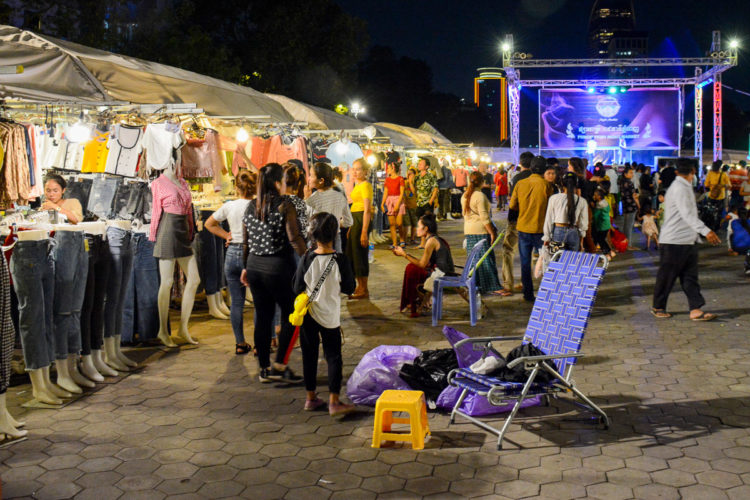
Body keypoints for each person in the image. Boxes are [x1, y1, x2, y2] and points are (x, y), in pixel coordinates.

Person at [240, 163, 306, 383]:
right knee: (292, 314)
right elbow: (294, 238)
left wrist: (244, 267)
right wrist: (310, 259)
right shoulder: (284, 205)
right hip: (278, 268)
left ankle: (264, 370)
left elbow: (246, 242)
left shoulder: (251, 206)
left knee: (263, 316)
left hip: (254, 267)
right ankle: (279, 364)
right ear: (279, 182)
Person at [292, 213, 356, 416]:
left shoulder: (307, 257)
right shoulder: (341, 259)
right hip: (330, 315)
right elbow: (349, 288)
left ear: (312, 234)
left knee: (309, 356)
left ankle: (310, 398)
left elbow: (296, 286)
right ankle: (334, 401)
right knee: (333, 356)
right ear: (335, 233)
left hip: (309, 313)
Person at [651, 158, 721, 321]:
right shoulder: (680, 189)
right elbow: (687, 215)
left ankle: (695, 309)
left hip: (686, 240)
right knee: (667, 276)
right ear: (693, 172)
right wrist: (706, 231)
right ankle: (658, 306)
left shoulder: (683, 187)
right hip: (674, 240)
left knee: (690, 276)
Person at [205, 171, 256, 355]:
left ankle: (240, 343)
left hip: (232, 252)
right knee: (258, 301)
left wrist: (226, 235)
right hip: (251, 253)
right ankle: (260, 344)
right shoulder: (258, 205)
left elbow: (209, 224)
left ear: (237, 187)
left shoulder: (229, 206)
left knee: (237, 302)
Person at [393, 214, 455, 317]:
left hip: (442, 274)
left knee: (411, 269)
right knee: (412, 267)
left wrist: (404, 254)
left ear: (425, 228)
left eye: (418, 226)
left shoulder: (431, 241)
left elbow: (422, 264)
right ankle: (416, 301)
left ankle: (414, 301)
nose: (417, 229)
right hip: (442, 271)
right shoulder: (433, 239)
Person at [510, 155, 552, 302]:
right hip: (541, 230)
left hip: (523, 228)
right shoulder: (547, 185)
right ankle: (547, 292)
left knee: (525, 263)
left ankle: (528, 294)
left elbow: (512, 206)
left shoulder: (520, 184)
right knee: (546, 262)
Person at [462, 171, 503, 295]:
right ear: (482, 182)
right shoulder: (479, 196)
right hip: (480, 231)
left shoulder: (464, 195)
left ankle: (477, 284)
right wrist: (492, 233)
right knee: (486, 260)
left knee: (475, 260)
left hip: (469, 231)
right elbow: (484, 217)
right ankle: (493, 287)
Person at [502, 151, 534, 294]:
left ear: (520, 163)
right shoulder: (539, 179)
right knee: (527, 253)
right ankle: (525, 282)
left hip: (517, 219)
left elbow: (513, 202)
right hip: (532, 221)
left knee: (508, 250)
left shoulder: (517, 179)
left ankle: (508, 283)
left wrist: (510, 219)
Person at [305, 162, 353, 253]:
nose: (309, 179)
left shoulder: (313, 198)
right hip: (335, 239)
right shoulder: (339, 196)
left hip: (317, 242)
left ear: (321, 180)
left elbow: (306, 222)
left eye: (311, 175)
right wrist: (336, 222)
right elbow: (348, 221)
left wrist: (306, 199)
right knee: (335, 265)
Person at [345, 158, 373, 299]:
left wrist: (364, 231)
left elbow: (367, 210)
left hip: (362, 219)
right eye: (354, 169)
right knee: (352, 254)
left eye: (358, 169)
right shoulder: (358, 185)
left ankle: (364, 288)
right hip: (355, 221)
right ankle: (359, 286)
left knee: (360, 254)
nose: (355, 172)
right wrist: (351, 226)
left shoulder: (366, 185)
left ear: (365, 171)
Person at [543, 172, 588, 251]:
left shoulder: (554, 198)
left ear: (562, 183)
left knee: (557, 261)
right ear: (576, 184)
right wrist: (581, 241)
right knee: (572, 261)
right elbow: (583, 223)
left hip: (558, 231)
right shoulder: (582, 201)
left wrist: (546, 237)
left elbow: (548, 219)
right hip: (574, 232)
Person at [283, 163, 310, 246]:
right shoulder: (299, 202)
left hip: (277, 248)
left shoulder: (274, 200)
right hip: (296, 247)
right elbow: (304, 230)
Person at [414, 158, 438, 247]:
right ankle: (422, 243)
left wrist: (431, 200)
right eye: (419, 163)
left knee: (429, 223)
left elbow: (435, 188)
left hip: (427, 203)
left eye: (421, 164)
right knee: (421, 223)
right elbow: (414, 189)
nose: (419, 164)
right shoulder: (417, 177)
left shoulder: (430, 176)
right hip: (419, 203)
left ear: (426, 166)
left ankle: (432, 242)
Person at [382, 161, 406, 248]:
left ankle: (402, 239)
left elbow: (402, 192)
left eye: (388, 168)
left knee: (399, 223)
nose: (387, 170)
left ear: (393, 169)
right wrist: (382, 203)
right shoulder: (387, 180)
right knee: (392, 224)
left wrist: (397, 204)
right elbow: (385, 192)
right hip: (390, 200)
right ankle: (395, 243)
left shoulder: (400, 179)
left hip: (398, 200)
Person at [704, 160, 731, 231]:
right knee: (719, 213)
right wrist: (722, 185)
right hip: (721, 197)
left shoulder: (710, 173)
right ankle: (716, 228)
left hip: (711, 196)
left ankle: (709, 226)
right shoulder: (724, 174)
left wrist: (712, 185)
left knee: (709, 212)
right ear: (720, 167)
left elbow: (706, 184)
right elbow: (729, 186)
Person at [620, 165, 640, 250]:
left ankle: (625, 243)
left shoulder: (622, 182)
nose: (632, 174)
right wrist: (639, 205)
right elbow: (634, 196)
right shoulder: (630, 183)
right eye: (630, 173)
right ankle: (629, 245)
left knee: (626, 225)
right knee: (629, 226)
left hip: (625, 206)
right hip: (631, 206)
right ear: (625, 174)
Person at [592, 188, 616, 259]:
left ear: (599, 197)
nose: (594, 196)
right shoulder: (605, 203)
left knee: (601, 240)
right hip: (606, 224)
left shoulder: (599, 205)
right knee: (601, 239)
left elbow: (596, 216)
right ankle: (611, 252)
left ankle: (607, 255)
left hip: (601, 225)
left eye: (595, 195)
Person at [403, 167, 419, 245]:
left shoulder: (416, 183)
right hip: (405, 205)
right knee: (406, 224)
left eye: (410, 174)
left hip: (414, 205)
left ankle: (412, 239)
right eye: (408, 174)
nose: (409, 175)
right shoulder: (404, 182)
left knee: (414, 223)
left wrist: (410, 183)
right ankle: (404, 240)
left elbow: (414, 192)